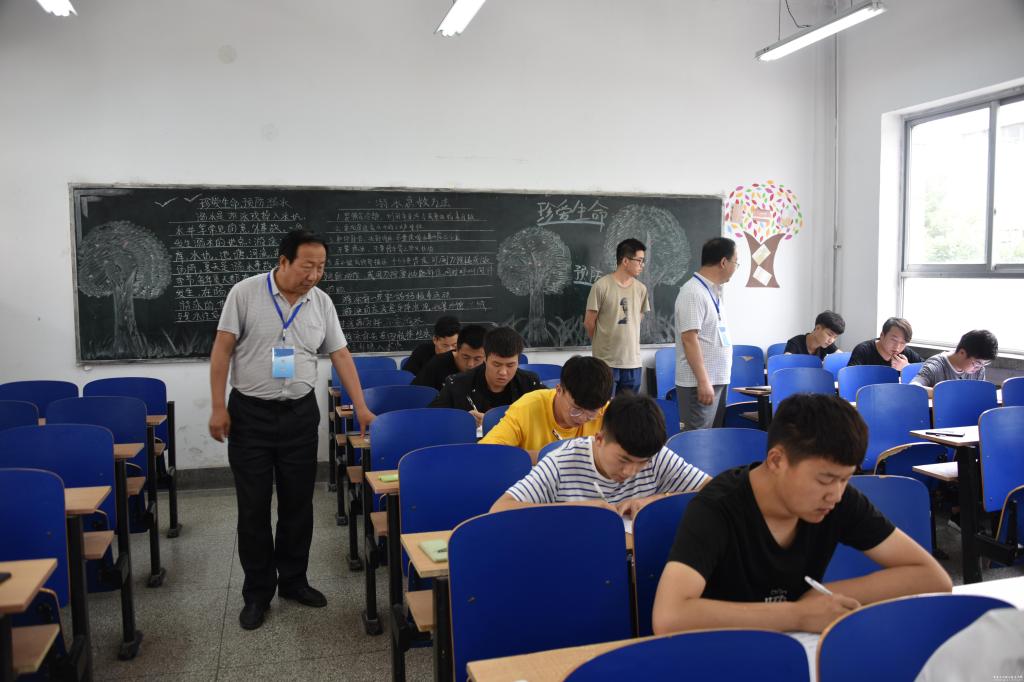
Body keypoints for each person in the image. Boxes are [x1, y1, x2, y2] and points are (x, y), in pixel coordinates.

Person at [651, 393, 951, 636]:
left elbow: (933, 577)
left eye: (845, 479)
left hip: (796, 647)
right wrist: (797, 614)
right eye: (824, 479)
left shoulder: (838, 500)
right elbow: (669, 616)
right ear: (777, 460)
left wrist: (826, 595)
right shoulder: (717, 508)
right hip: (723, 651)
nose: (835, 494)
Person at [208, 230, 376, 631]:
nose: (314, 275)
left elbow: (340, 354)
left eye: (321, 267)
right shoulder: (244, 293)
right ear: (283, 261)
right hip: (250, 414)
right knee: (253, 508)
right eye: (307, 266)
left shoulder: (321, 302)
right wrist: (217, 407)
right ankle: (257, 593)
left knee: (298, 504)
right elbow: (222, 351)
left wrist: (361, 406)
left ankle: (294, 581)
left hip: (300, 413)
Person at [490, 392, 709, 516]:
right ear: (600, 439)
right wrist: (578, 509)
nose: (630, 472)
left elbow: (714, 489)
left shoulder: (655, 455)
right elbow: (500, 509)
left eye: (641, 463)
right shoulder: (561, 462)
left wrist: (655, 500)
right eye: (623, 459)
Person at [480, 355, 613, 461]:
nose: (583, 418)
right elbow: (486, 452)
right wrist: (549, 457)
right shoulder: (526, 408)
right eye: (576, 409)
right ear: (559, 390)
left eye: (592, 413)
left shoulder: (607, 412)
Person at [674, 237, 738, 431]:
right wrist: (703, 381)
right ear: (723, 262)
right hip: (699, 384)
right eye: (736, 262)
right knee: (696, 441)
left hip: (715, 381)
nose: (736, 268)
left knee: (710, 441)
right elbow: (689, 339)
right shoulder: (693, 292)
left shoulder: (713, 292)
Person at [429, 326, 541, 426]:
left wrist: (492, 421)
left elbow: (546, 417)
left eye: (510, 365)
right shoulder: (457, 384)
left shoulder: (530, 383)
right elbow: (430, 418)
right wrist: (461, 420)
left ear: (518, 362)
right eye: (496, 364)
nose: (503, 372)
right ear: (485, 359)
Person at [584, 238, 651, 395]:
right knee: (605, 406)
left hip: (632, 362)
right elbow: (589, 322)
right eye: (639, 260)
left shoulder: (641, 289)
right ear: (625, 261)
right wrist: (602, 345)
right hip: (606, 363)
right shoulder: (601, 286)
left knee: (628, 408)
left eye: (643, 261)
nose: (642, 265)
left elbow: (638, 319)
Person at [910, 329, 998, 393]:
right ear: (962, 353)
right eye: (977, 363)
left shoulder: (979, 370)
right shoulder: (936, 365)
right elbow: (913, 388)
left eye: (984, 364)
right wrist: (945, 394)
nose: (979, 368)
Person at [411, 324, 486, 391]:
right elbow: (416, 393)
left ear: (486, 357)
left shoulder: (489, 368)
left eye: (477, 359)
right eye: (465, 357)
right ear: (457, 349)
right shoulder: (437, 364)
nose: (470, 364)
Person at [848, 317, 923, 370]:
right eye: (894, 340)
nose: (897, 347)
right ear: (882, 335)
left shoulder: (905, 353)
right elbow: (850, 378)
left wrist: (907, 367)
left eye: (903, 343)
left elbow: (927, 369)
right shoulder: (863, 350)